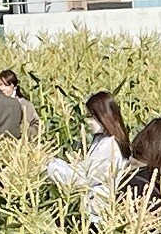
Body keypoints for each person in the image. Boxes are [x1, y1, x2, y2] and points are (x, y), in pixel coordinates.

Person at [47, 91, 130, 222]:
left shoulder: (110, 146)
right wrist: (53, 161)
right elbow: (83, 170)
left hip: (99, 215)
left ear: (104, 117)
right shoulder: (101, 140)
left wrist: (49, 167)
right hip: (93, 209)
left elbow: (83, 179)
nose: (88, 121)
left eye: (92, 117)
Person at [0, 69, 41, 139]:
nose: (3, 88)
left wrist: (23, 135)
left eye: (7, 85)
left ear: (15, 87)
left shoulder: (25, 104)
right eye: (0, 84)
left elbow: (37, 125)